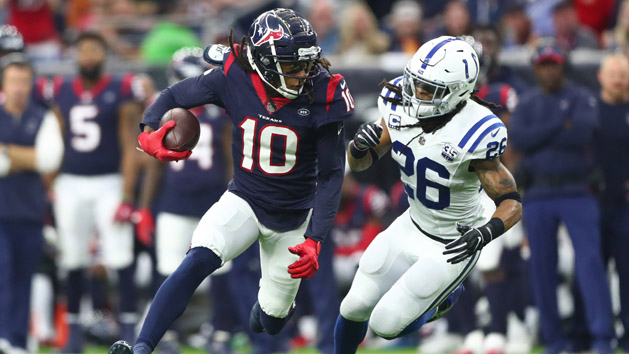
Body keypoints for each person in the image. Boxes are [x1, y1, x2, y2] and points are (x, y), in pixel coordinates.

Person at [108, 8, 353, 354]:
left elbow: (330, 174)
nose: (304, 72)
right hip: (245, 201)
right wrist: (148, 129)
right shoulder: (235, 75)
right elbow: (175, 95)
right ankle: (141, 347)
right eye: (293, 65)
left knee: (271, 320)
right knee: (198, 259)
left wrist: (315, 239)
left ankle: (270, 311)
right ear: (265, 63)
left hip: (294, 219)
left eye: (307, 63)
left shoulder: (324, 93)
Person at [333, 35, 522, 353]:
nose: (417, 92)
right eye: (416, 82)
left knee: (385, 325)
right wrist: (357, 147)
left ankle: (443, 301)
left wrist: (485, 233)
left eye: (429, 89)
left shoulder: (476, 130)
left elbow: (511, 203)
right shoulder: (398, 103)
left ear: (458, 91)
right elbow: (361, 164)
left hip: (453, 242)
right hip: (411, 223)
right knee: (354, 305)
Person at [509, 40, 614, 354]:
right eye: (543, 65)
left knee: (590, 263)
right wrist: (559, 125)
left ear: (562, 65)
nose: (549, 70)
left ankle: (601, 338)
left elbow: (581, 133)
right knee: (541, 267)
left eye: (553, 63)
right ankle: (554, 341)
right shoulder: (527, 103)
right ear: (535, 68)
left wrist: (542, 134)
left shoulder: (581, 97)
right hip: (539, 192)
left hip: (577, 190)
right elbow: (520, 140)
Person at [50, 31, 145, 352]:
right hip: (70, 182)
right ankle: (74, 334)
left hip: (109, 182)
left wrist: (127, 192)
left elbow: (128, 142)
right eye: (83, 50)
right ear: (75, 55)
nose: (88, 56)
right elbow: (55, 141)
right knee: (73, 258)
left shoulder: (119, 89)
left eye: (94, 50)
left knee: (121, 256)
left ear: (104, 55)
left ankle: (130, 329)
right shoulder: (61, 89)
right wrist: (51, 185)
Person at [0, 54, 63, 353]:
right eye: (14, 81)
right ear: (4, 84)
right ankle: (4, 336)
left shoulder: (43, 116)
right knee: (2, 272)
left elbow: (50, 158)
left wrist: (8, 153)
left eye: (24, 82)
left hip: (29, 211)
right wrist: (29, 157)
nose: (19, 88)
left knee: (25, 277)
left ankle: (17, 340)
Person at [595, 53, 629, 352]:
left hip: (625, 208)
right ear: (600, 77)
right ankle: (591, 333)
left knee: (627, 272)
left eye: (624, 74)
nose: (619, 79)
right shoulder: (588, 111)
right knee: (591, 272)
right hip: (592, 204)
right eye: (614, 73)